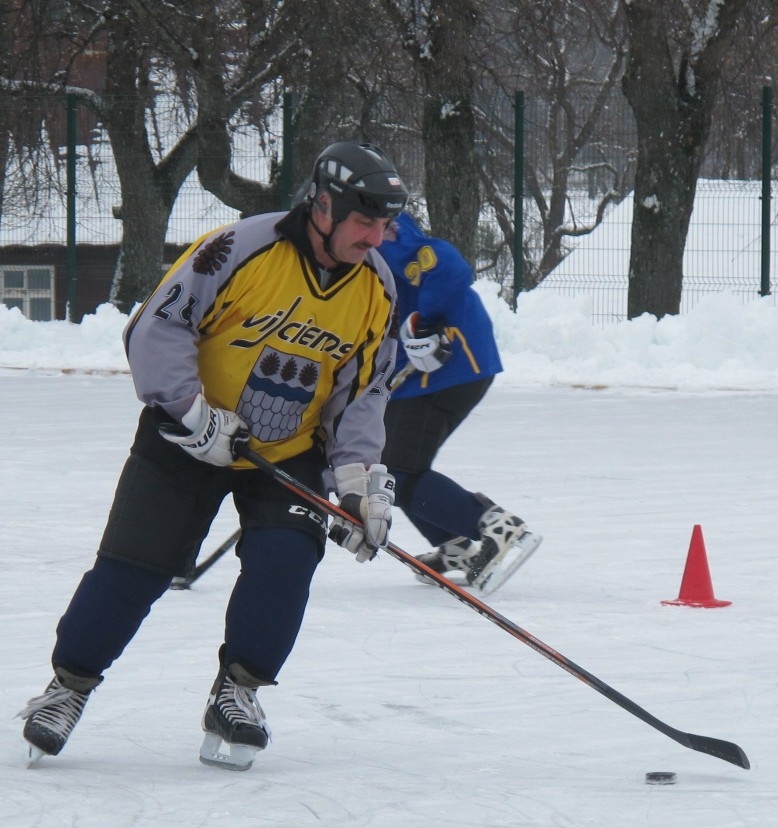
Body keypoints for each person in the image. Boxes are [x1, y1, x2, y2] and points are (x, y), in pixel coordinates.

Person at [18, 141, 409, 772]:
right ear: (323, 207)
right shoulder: (239, 248)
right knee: (134, 569)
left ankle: (238, 692)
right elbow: (156, 325)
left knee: (285, 564)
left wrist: (358, 482)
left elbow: (362, 392)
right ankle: (69, 686)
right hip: (186, 435)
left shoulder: (377, 289)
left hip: (284, 453)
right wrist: (192, 411)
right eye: (365, 221)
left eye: (384, 224)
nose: (376, 237)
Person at [378, 212, 542, 593]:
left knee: (396, 470)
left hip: (450, 365)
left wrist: (428, 321)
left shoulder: (379, 238)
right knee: (385, 466)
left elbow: (448, 265)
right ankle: (455, 546)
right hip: (425, 376)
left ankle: (496, 526)